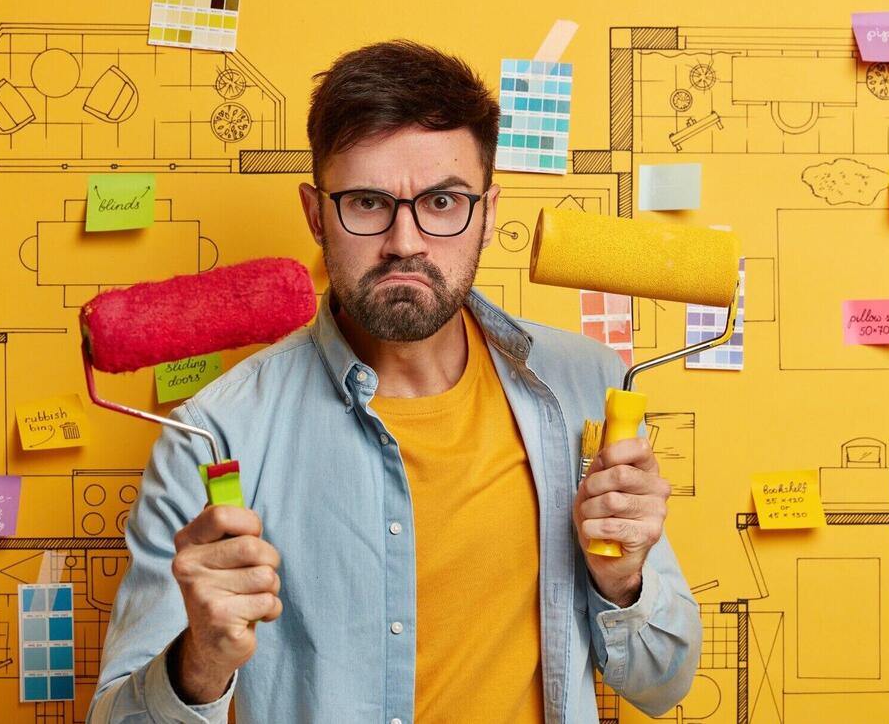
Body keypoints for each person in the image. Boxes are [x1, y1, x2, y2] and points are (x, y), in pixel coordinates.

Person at [90, 40, 700, 724]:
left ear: (488, 213)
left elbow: (662, 684)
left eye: (442, 201)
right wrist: (199, 659)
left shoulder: (587, 388)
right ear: (316, 213)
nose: (405, 240)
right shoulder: (213, 435)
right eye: (368, 201)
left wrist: (623, 582)